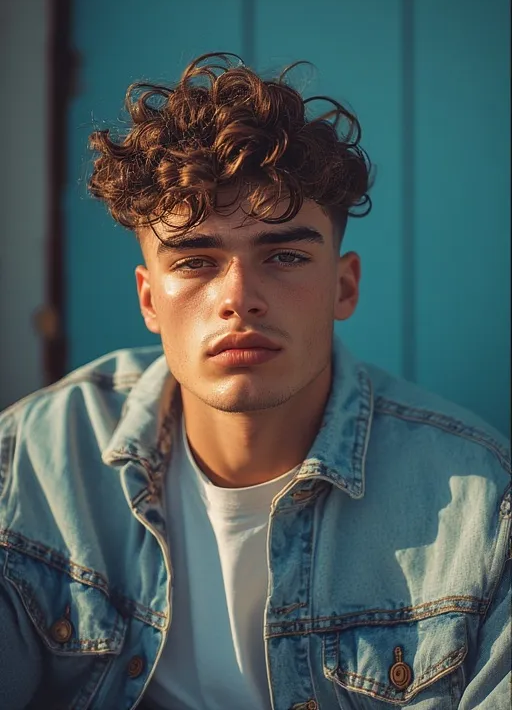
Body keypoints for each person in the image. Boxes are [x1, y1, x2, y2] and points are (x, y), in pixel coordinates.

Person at [0, 53, 509, 710]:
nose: (238, 299)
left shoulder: (481, 509)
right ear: (149, 299)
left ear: (344, 286)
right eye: (196, 261)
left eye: (285, 255)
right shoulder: (34, 458)